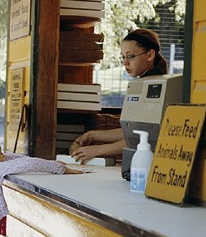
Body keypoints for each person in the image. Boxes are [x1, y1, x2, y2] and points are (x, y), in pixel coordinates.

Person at [71, 28, 168, 164]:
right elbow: (133, 132)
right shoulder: (142, 84)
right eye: (123, 57)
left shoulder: (157, 87)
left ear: (150, 55)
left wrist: (96, 150)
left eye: (131, 56)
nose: (125, 62)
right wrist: (92, 135)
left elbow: (146, 137)